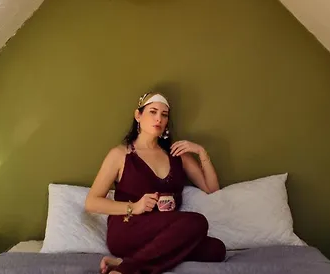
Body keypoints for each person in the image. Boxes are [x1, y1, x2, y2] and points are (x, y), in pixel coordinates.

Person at [85, 92, 226, 274]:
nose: (159, 118)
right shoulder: (120, 154)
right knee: (197, 222)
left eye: (164, 115)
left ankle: (126, 263)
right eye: (153, 112)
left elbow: (212, 188)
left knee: (216, 249)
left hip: (165, 233)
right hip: (129, 228)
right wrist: (134, 207)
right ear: (138, 116)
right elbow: (91, 202)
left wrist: (201, 152)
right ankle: (124, 271)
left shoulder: (177, 155)